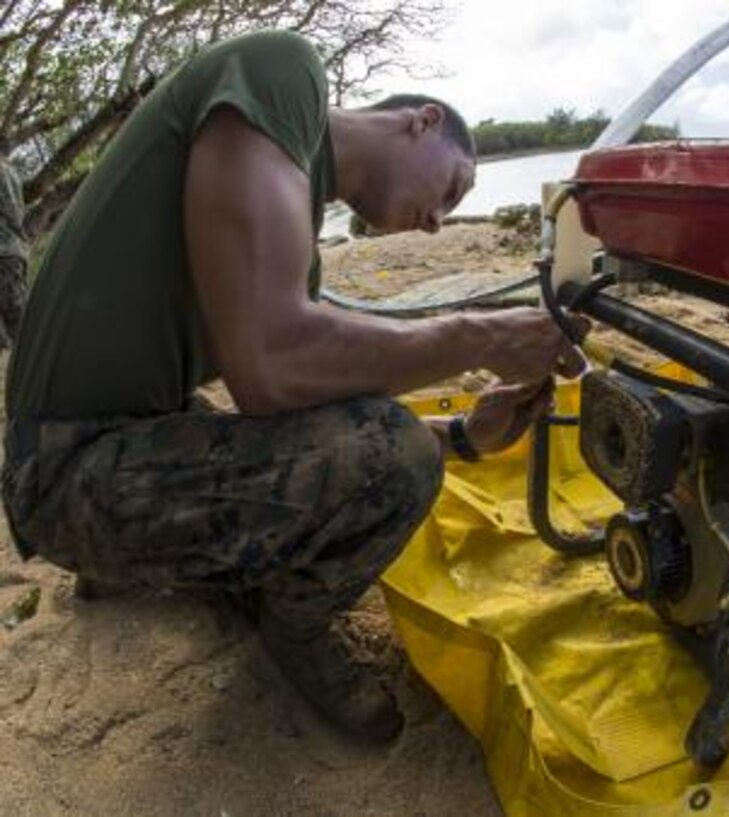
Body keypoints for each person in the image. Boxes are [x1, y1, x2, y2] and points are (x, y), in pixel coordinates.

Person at [1, 30, 583, 742]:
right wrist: (482, 336)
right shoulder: (282, 73)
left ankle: (148, 565)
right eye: (452, 189)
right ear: (422, 120)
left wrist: (462, 436)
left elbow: (305, 406)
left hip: (104, 449)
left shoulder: (291, 243)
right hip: (66, 474)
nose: (437, 223)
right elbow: (273, 365)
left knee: (385, 433)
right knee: (397, 452)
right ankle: (292, 625)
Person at [0, 153, 27, 349]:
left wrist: (19, 233)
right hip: (8, 252)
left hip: (5, 252)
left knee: (18, 323)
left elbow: (14, 212)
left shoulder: (3, 171)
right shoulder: (7, 169)